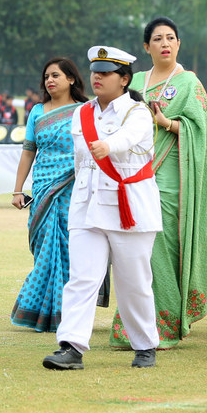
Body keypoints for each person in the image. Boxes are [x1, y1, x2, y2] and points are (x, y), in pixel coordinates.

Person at [43, 46, 161, 370]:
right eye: (95, 71)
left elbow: (128, 138)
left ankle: (145, 345)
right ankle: (72, 347)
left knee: (133, 281)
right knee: (81, 278)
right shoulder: (82, 113)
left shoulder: (137, 111)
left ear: (124, 79)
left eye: (106, 72)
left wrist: (108, 145)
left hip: (129, 206)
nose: (97, 77)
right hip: (88, 205)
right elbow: (81, 161)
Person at [107, 17, 207, 349]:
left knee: (159, 244)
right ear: (146, 47)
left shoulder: (189, 83)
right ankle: (135, 321)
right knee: (134, 247)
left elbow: (203, 133)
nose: (165, 43)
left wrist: (166, 122)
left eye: (170, 38)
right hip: (133, 172)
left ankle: (164, 321)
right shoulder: (134, 79)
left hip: (170, 175)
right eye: (157, 39)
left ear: (178, 44)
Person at [10, 57, 89, 332]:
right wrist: (18, 189)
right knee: (45, 247)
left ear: (71, 79)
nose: (49, 81)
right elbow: (28, 151)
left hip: (74, 187)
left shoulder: (84, 111)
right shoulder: (36, 111)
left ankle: (68, 312)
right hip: (43, 187)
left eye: (55, 75)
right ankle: (41, 311)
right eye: (46, 77)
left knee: (70, 248)